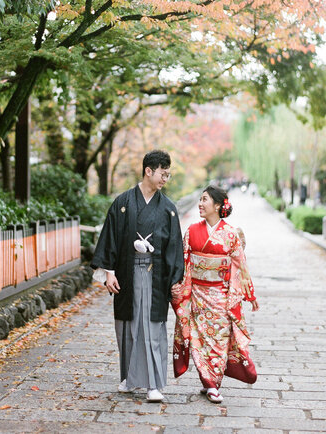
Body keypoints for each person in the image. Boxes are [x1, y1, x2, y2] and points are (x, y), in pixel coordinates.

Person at [91, 150, 184, 402]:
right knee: (127, 326)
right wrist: (108, 273)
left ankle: (153, 384)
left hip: (155, 277)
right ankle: (129, 379)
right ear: (148, 171)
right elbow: (110, 238)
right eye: (163, 174)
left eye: (168, 174)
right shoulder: (122, 203)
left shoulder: (168, 209)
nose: (165, 179)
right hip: (127, 272)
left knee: (152, 328)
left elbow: (175, 246)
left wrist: (175, 279)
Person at [171, 185, 258, 404]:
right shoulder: (191, 230)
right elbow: (184, 262)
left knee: (218, 339)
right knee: (199, 339)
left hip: (220, 295)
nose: (200, 204)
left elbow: (240, 265)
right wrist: (177, 285)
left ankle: (212, 381)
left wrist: (249, 294)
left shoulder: (230, 234)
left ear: (218, 205)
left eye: (205, 200)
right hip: (198, 295)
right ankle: (209, 382)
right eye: (200, 200)